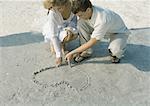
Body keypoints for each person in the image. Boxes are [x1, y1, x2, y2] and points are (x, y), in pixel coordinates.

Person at [65, 0, 131, 63]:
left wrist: (73, 52)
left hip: (118, 32)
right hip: (104, 28)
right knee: (80, 23)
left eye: (80, 15)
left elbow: (92, 42)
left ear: (88, 10)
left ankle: (116, 53)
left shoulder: (102, 19)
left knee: (116, 51)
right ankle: (86, 52)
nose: (79, 17)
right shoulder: (89, 9)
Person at [42, 0, 78, 66]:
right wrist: (58, 55)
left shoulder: (72, 5)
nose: (59, 10)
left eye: (60, 8)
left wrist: (69, 29)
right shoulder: (53, 13)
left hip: (65, 26)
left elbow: (74, 20)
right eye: (57, 8)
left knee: (73, 34)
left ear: (66, 3)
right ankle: (54, 44)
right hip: (54, 28)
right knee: (55, 50)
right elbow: (53, 34)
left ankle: (61, 44)